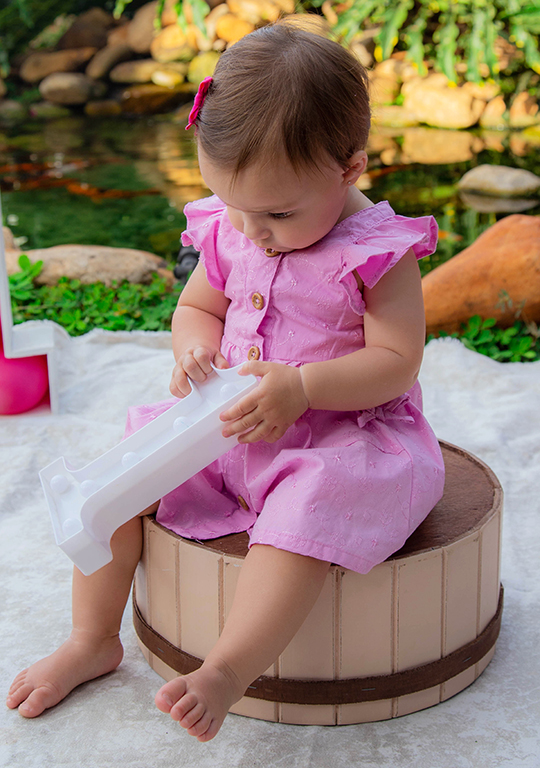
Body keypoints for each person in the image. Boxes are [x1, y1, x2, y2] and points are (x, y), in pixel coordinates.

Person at [7, 22, 445, 742]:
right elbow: (198, 308)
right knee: (120, 479)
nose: (252, 230)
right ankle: (91, 639)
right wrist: (193, 351)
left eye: (277, 213)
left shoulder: (380, 251)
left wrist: (303, 388)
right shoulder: (234, 225)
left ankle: (226, 668)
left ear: (350, 168)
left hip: (338, 434)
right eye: (233, 204)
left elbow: (397, 360)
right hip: (226, 421)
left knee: (306, 517)